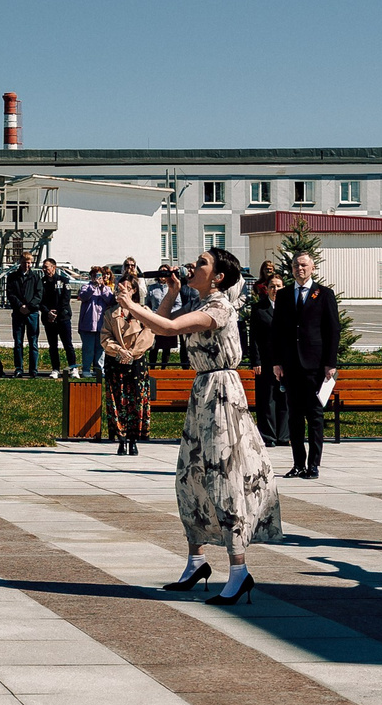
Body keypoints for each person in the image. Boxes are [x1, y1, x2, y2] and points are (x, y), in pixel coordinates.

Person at [112, 246, 282, 604]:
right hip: (203, 391)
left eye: (202, 263)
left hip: (221, 394)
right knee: (191, 476)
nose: (193, 265)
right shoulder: (201, 303)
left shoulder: (219, 307)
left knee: (223, 477)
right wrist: (172, 291)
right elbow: (159, 326)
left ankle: (239, 571)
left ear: (218, 276)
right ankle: (196, 562)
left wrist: (128, 303)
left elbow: (170, 326)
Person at [272, 252, 343, 481]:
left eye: (303, 265)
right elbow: (278, 331)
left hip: (315, 365)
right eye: (295, 265)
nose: (299, 269)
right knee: (294, 417)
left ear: (312, 267)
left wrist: (330, 363)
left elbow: (333, 330)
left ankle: (313, 465)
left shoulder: (324, 294)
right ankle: (297, 464)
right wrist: (276, 362)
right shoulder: (283, 296)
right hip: (291, 365)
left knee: (314, 417)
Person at [100, 267, 158, 456]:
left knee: (135, 400)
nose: (122, 290)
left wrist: (132, 353)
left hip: (136, 361)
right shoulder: (111, 313)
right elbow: (105, 338)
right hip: (116, 360)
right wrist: (119, 351)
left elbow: (149, 335)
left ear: (133, 290)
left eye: (126, 287)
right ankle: (120, 438)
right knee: (118, 400)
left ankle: (133, 439)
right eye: (119, 287)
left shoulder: (143, 311)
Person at [245, 264, 287, 448]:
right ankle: (268, 436)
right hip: (266, 362)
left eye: (278, 286)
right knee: (267, 399)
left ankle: (284, 436)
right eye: (271, 286)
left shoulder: (290, 308)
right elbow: (253, 337)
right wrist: (256, 361)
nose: (275, 289)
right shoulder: (259, 309)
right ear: (266, 289)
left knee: (285, 399)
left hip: (287, 362)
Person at [4, 248, 44, 377]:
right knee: (18, 342)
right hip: (18, 313)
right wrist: (20, 306)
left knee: (33, 342)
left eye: (29, 263)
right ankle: (19, 368)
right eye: (24, 262)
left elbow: (39, 294)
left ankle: (33, 369)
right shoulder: (12, 277)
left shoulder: (36, 277)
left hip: (32, 313)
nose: (26, 265)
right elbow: (10, 294)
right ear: (20, 262)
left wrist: (30, 306)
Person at [41, 255, 76, 377]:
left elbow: (65, 299)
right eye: (43, 268)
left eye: (47, 267)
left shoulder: (64, 281)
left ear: (53, 267)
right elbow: (40, 300)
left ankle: (73, 369)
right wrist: (47, 313)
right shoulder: (41, 283)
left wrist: (56, 313)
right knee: (53, 346)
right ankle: (55, 369)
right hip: (49, 320)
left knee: (68, 345)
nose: (45, 270)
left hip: (63, 318)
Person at [77, 267, 113, 384]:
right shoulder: (86, 287)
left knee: (100, 349)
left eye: (99, 276)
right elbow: (83, 296)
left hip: (101, 325)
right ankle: (86, 369)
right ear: (91, 277)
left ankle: (98, 369)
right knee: (88, 349)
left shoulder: (106, 289)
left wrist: (102, 287)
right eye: (95, 276)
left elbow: (110, 300)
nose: (97, 278)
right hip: (88, 325)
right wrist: (94, 287)